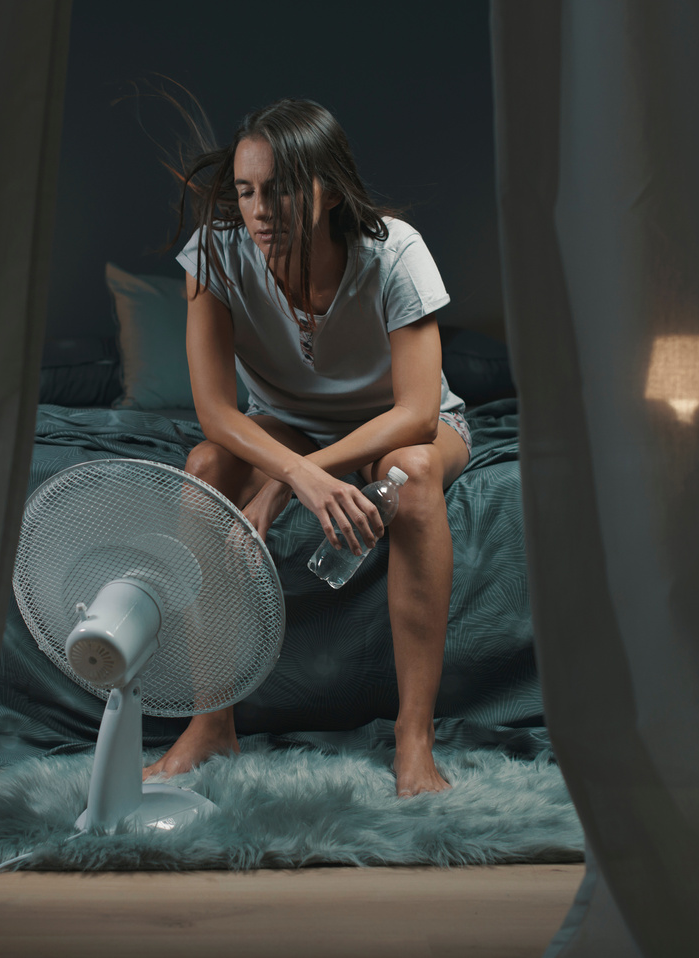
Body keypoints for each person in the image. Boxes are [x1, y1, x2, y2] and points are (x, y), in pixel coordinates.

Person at [142, 98, 472, 797]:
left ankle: (415, 739)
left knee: (410, 478)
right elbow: (216, 413)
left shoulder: (395, 252)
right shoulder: (215, 256)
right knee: (203, 468)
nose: (260, 209)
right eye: (245, 190)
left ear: (324, 190)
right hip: (282, 426)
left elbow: (415, 414)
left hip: (400, 428)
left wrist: (299, 478)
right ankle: (211, 725)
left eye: (280, 188)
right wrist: (290, 469)